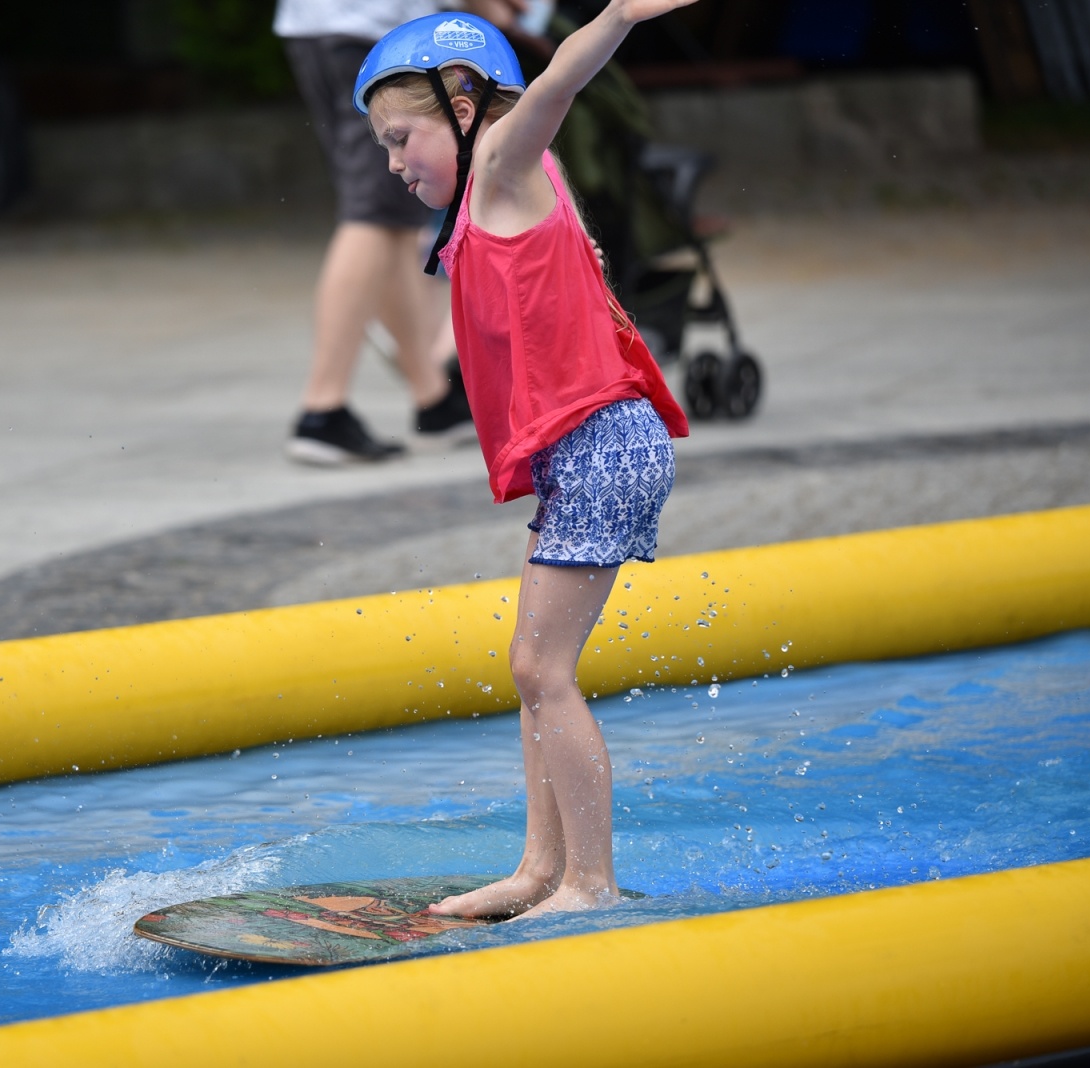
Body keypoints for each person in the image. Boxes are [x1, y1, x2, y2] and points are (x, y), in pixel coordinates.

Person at [352, 1, 695, 917]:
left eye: (402, 137)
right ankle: (541, 869)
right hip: (586, 449)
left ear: (464, 110)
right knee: (532, 669)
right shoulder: (490, 190)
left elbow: (552, 89)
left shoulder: (505, 164)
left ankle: (590, 883)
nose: (393, 162)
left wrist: (619, 13)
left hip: (599, 443)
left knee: (543, 671)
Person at [276, 1, 520, 465]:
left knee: (394, 225)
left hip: (315, 25)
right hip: (378, 36)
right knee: (375, 217)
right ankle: (322, 408)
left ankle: (432, 398)